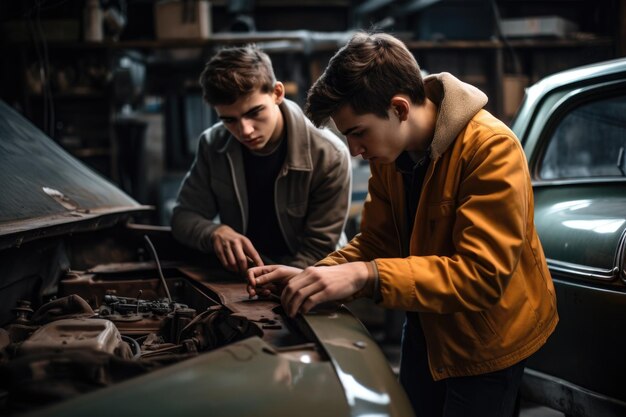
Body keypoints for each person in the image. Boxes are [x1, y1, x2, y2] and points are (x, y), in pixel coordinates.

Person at [247, 32, 558, 417]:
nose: (354, 151)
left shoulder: (491, 149)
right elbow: (379, 242)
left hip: (488, 341)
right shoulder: (389, 156)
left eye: (358, 132)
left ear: (399, 108)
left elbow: (481, 275)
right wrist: (315, 277)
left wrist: (365, 276)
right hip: (426, 325)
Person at [171, 45, 351, 272]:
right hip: (244, 277)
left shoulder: (329, 155)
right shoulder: (213, 144)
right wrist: (215, 232)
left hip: (311, 274)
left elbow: (318, 250)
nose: (244, 130)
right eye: (229, 120)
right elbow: (183, 217)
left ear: (277, 93)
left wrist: (277, 282)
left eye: (253, 112)